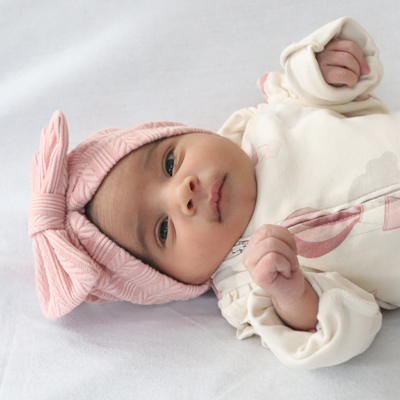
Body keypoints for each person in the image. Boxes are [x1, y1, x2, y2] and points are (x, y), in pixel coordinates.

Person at [29, 17, 400, 369]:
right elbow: (344, 327)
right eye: (163, 230)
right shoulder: (249, 286)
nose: (183, 194)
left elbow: (341, 92)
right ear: (174, 280)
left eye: (169, 163)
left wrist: (322, 69)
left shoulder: (268, 120)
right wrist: (292, 294)